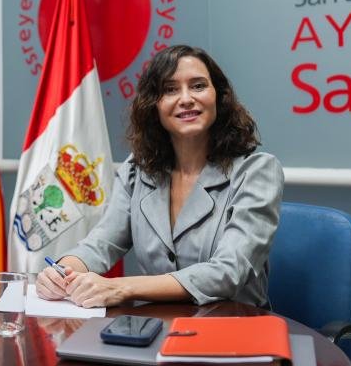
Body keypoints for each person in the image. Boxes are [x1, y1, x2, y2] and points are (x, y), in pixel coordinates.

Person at [35, 44, 282, 308]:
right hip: (156, 330)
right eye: (170, 89)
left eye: (198, 86)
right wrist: (62, 272)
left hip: (234, 331)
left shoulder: (257, 171)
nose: (186, 98)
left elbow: (228, 273)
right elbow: (103, 242)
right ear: (154, 105)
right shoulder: (136, 170)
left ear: (218, 97)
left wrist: (121, 288)